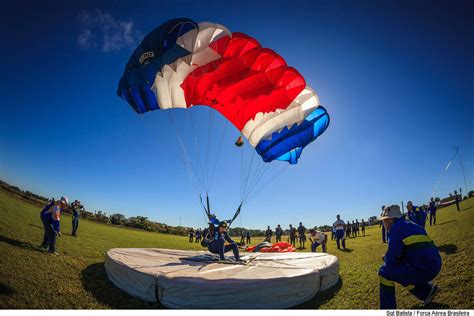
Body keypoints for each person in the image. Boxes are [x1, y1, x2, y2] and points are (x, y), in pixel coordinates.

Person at [378, 204, 441, 309]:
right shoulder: (409, 223)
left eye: (384, 220)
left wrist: (386, 257)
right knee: (400, 271)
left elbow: (391, 261)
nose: (383, 223)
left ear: (391, 220)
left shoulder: (395, 229)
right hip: (434, 263)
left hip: (425, 268)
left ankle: (388, 310)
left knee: (384, 271)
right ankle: (427, 291)